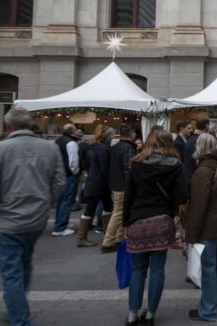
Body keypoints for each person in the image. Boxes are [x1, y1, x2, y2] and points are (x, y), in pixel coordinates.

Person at [0, 107, 65, 326]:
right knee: (24, 264)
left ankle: (19, 318)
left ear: (8, 126)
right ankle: (16, 308)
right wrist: (46, 204)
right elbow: (60, 182)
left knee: (12, 272)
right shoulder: (49, 148)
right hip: (35, 219)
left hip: (7, 221)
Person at [123, 128, 189, 326]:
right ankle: (151, 313)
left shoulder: (136, 164)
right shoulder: (175, 166)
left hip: (137, 220)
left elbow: (128, 197)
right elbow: (181, 197)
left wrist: (126, 223)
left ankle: (132, 314)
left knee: (137, 270)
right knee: (158, 270)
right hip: (162, 220)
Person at [186, 133, 217, 322]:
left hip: (209, 225)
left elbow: (198, 207)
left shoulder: (202, 172)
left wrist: (191, 235)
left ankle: (208, 310)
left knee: (208, 267)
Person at [101, 125, 137, 253]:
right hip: (122, 186)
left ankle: (117, 239)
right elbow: (128, 170)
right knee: (118, 213)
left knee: (120, 213)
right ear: (131, 134)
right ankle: (108, 241)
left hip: (115, 184)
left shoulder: (115, 147)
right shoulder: (128, 148)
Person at [77, 125, 114, 248]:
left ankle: (84, 237)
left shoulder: (92, 148)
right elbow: (105, 169)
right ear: (108, 136)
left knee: (92, 209)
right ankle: (107, 235)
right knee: (106, 208)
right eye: (111, 135)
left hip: (93, 182)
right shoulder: (104, 149)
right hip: (101, 184)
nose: (113, 137)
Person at [52, 123, 81, 237]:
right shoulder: (71, 143)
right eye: (75, 129)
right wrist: (75, 172)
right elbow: (73, 161)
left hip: (60, 174)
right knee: (67, 200)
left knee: (62, 200)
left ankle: (61, 223)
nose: (78, 131)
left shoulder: (58, 141)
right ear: (72, 131)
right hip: (69, 175)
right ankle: (60, 227)